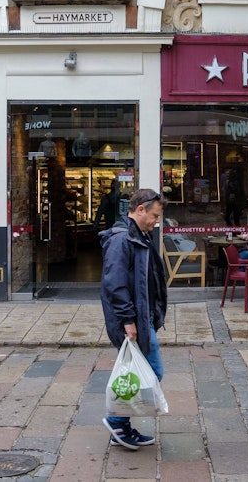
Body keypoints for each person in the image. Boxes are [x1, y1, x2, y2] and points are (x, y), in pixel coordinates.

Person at [99, 188, 167, 452]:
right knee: (152, 371)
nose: (156, 221)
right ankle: (117, 421)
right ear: (140, 210)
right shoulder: (122, 240)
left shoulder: (138, 235)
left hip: (141, 316)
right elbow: (114, 284)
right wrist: (129, 320)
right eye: (155, 216)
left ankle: (121, 425)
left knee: (138, 373)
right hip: (132, 319)